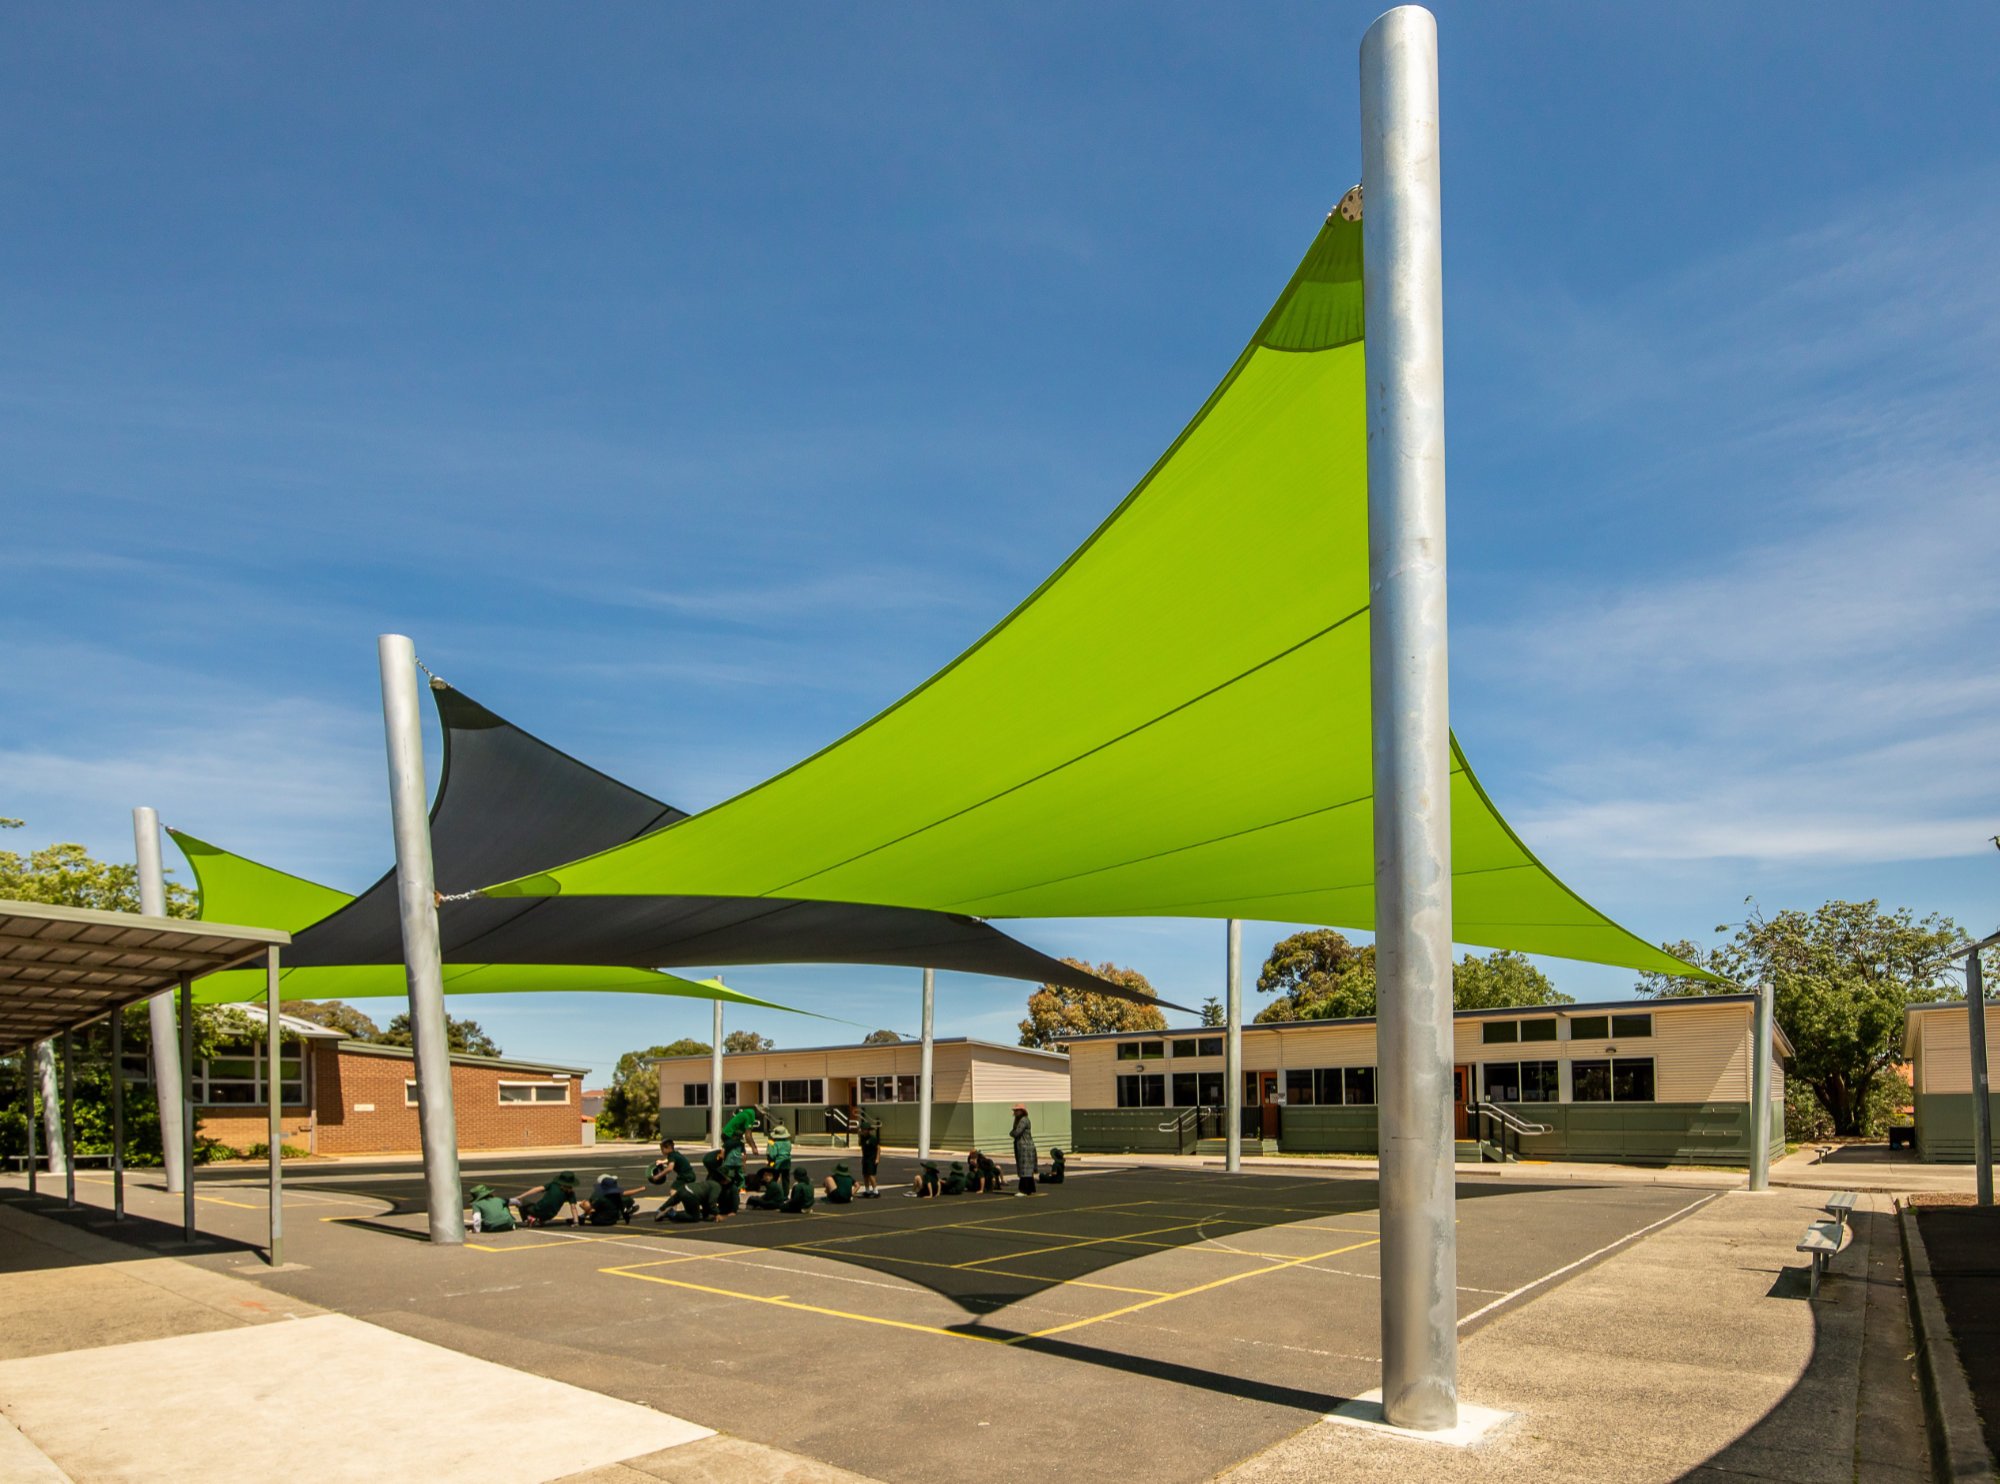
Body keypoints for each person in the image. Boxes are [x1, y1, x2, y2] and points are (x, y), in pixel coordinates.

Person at [649, 1139, 695, 1221]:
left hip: (685, 1176)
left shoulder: (671, 1155)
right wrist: (662, 1162)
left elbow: (670, 1168)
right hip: (689, 1175)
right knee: (681, 1193)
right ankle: (673, 1210)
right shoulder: (675, 1154)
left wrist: (658, 1176)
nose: (662, 1151)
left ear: (669, 1148)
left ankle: (671, 1211)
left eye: (662, 1149)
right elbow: (671, 1161)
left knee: (673, 1191)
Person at [514, 1171, 581, 1227]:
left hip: (537, 1210)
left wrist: (521, 1196)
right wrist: (576, 1222)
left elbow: (537, 1189)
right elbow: (573, 1207)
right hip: (550, 1215)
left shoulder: (554, 1184)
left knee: (520, 1202)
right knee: (545, 1210)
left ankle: (528, 1219)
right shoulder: (571, 1193)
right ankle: (539, 1220)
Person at [1011, 1104, 1038, 1196]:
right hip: (1024, 1146)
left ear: (1022, 1111)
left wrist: (1012, 1133)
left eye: (1017, 1110)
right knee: (1027, 1168)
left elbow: (1017, 1132)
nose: (1015, 1112)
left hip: (1024, 1147)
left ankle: (1024, 1189)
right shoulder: (1022, 1120)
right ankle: (1030, 1188)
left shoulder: (1023, 1120)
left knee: (1025, 1168)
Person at [856, 1116, 882, 1198]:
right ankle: (867, 1190)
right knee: (865, 1175)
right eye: (862, 1129)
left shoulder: (872, 1139)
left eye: (864, 1129)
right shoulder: (863, 1138)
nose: (863, 1131)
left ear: (868, 1130)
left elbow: (878, 1148)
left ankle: (875, 1190)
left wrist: (877, 1158)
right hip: (865, 1158)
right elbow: (862, 1147)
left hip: (872, 1158)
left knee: (871, 1175)